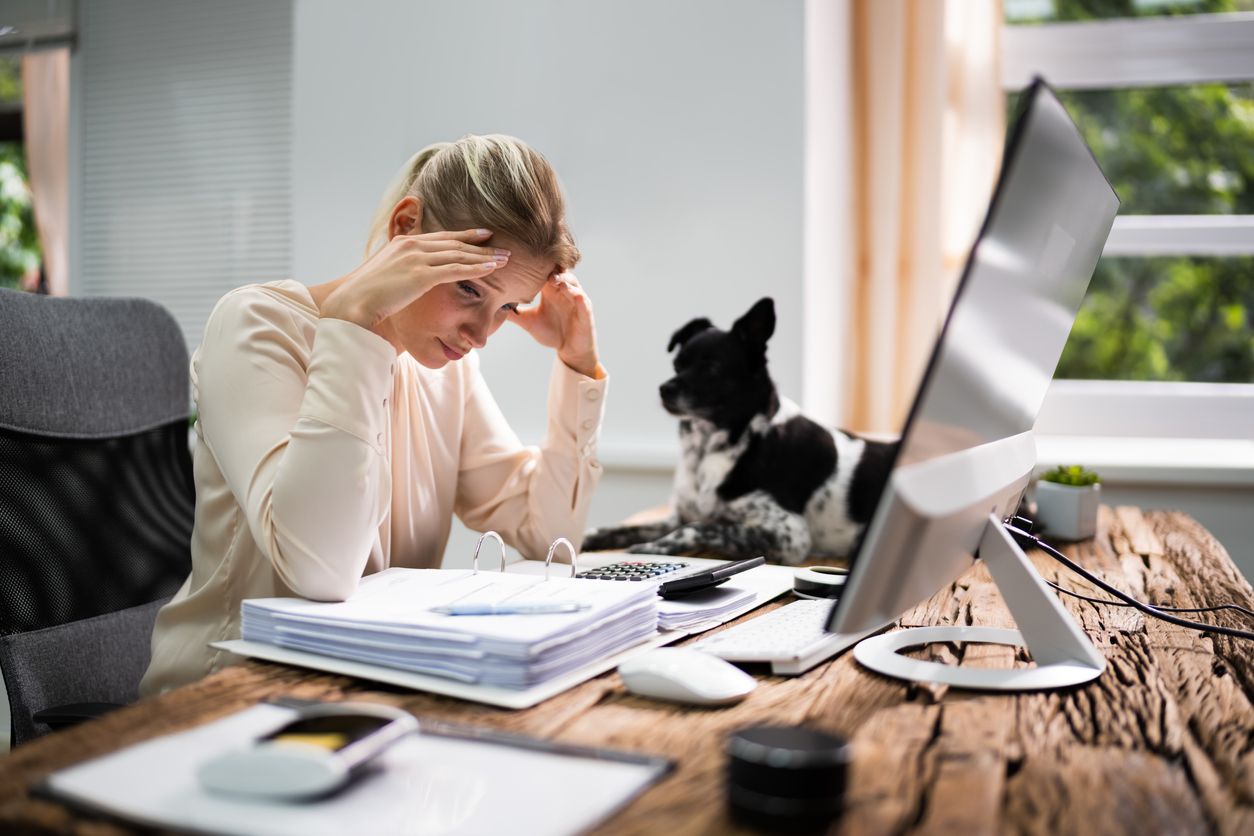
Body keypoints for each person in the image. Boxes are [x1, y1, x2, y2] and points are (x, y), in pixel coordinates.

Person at [141, 135, 608, 695]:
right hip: (225, 697)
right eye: (468, 289)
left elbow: (545, 534)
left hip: (375, 690)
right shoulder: (256, 326)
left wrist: (577, 364)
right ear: (405, 227)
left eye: (506, 307)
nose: (482, 334)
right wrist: (355, 325)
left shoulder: (446, 371)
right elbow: (320, 570)